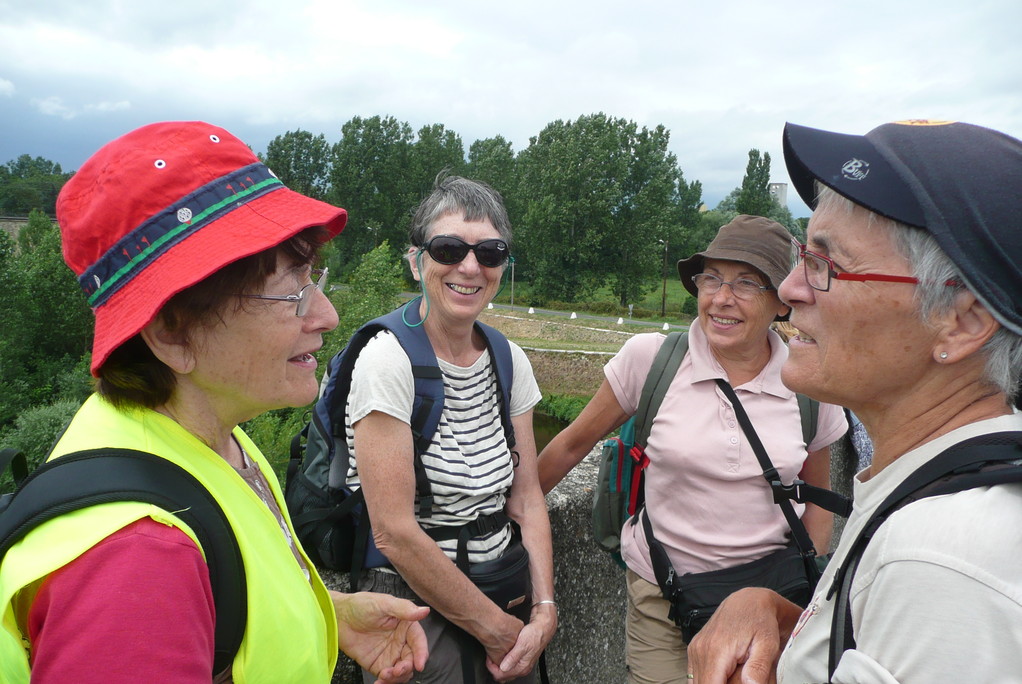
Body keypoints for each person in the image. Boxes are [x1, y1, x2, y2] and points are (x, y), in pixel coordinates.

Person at [0, 121, 429, 684]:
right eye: (293, 289)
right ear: (173, 334)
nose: (326, 316)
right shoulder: (139, 563)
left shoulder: (205, 434)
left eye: (312, 275)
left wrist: (327, 614)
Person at [688, 119, 1022, 683]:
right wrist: (778, 614)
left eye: (826, 265)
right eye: (803, 254)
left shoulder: (939, 564)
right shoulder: (943, 488)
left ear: (961, 322)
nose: (790, 289)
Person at [537, 215, 847, 684]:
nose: (722, 298)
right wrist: (510, 519)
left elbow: (818, 497)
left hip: (766, 599)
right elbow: (570, 445)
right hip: (661, 596)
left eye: (747, 283)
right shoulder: (651, 361)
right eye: (712, 279)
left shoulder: (807, 381)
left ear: (780, 302)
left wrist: (801, 594)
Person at [343, 175, 557, 682]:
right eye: (448, 248)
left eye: (489, 251)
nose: (469, 266)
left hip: (504, 584)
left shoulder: (508, 360)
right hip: (416, 609)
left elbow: (526, 499)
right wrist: (498, 631)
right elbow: (393, 531)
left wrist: (544, 608)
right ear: (417, 261)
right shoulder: (386, 362)